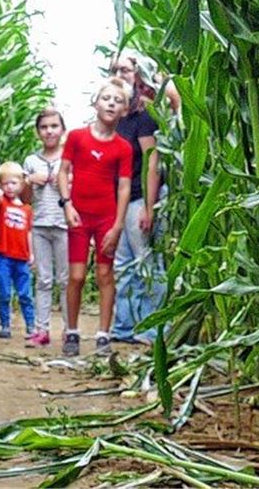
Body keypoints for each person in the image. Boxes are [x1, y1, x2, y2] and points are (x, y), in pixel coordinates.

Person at [57, 78, 133, 357]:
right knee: (76, 276)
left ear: (125, 110)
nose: (112, 103)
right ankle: (72, 331)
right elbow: (63, 172)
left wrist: (118, 225)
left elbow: (124, 186)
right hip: (79, 215)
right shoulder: (77, 137)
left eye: (119, 100)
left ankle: (103, 334)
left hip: (106, 218)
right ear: (96, 103)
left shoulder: (123, 147)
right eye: (107, 98)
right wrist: (67, 205)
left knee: (105, 274)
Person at [109, 51, 169, 345]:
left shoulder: (144, 116)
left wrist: (149, 205)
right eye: (115, 70)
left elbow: (152, 161)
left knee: (147, 264)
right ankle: (125, 328)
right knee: (124, 267)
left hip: (138, 201)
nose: (120, 75)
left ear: (139, 74)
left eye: (126, 70)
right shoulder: (117, 118)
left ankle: (153, 330)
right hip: (120, 203)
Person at [23, 109, 69, 347]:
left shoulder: (69, 160)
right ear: (38, 131)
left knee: (66, 280)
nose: (49, 131)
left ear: (62, 129)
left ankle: (69, 329)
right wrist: (30, 180)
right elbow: (25, 200)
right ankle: (41, 330)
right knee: (43, 280)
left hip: (65, 225)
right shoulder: (31, 162)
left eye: (54, 126)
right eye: (44, 127)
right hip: (39, 225)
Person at [0, 161, 35, 339]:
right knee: (4, 293)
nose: (9, 187)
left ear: (21, 184)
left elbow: (29, 232)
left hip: (22, 258)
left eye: (13, 183)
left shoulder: (27, 209)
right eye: (5, 183)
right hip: (3, 256)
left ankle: (31, 326)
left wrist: (32, 254)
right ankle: (5, 326)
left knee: (25, 294)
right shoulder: (1, 205)